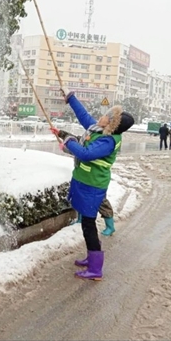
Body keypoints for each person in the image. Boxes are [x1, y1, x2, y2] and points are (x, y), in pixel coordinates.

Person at [54, 88, 134, 281]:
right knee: (87, 224)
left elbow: (86, 154)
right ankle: (91, 258)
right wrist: (71, 98)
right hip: (85, 182)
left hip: (93, 186)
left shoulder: (108, 140)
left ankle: (96, 268)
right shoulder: (99, 130)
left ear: (112, 124)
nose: (102, 116)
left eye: (107, 116)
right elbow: (84, 116)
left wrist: (69, 140)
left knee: (88, 225)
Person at [53, 128, 116, 236]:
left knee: (101, 202)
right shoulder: (92, 133)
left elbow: (83, 151)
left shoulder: (104, 141)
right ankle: (80, 219)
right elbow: (78, 144)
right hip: (84, 177)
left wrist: (66, 145)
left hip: (96, 179)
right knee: (82, 198)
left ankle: (110, 226)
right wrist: (60, 133)